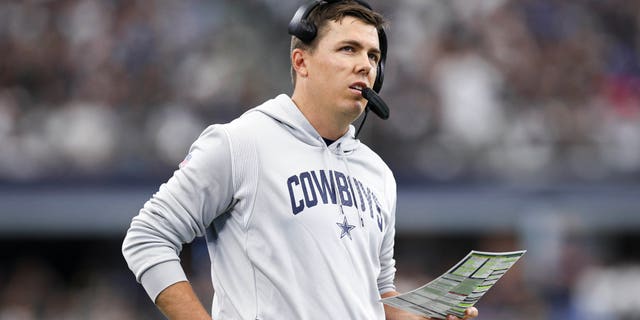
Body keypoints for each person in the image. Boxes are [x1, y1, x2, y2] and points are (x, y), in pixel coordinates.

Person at [122, 1, 479, 319]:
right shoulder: (241, 142)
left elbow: (378, 292)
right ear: (301, 61)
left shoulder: (379, 174)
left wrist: (422, 315)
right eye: (348, 49)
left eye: (372, 56)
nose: (364, 65)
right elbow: (147, 236)